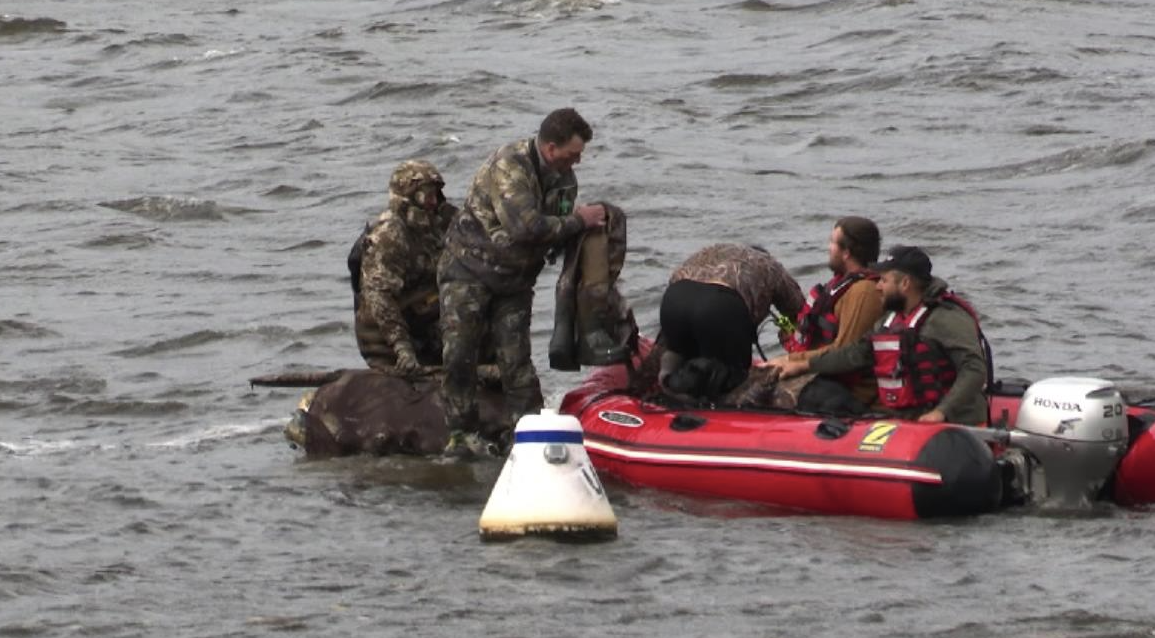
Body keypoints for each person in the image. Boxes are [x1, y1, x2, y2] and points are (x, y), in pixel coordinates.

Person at [438, 107, 608, 458]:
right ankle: (460, 434)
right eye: (573, 154)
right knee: (460, 353)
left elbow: (555, 233)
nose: (577, 161)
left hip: (514, 281)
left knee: (516, 359)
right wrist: (579, 220)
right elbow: (526, 227)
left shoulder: (565, 180)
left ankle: (526, 434)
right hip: (468, 271)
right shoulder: (510, 165)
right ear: (550, 148)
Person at [767, 246, 989, 424]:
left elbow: (974, 369)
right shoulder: (890, 320)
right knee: (819, 393)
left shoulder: (945, 318)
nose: (877, 287)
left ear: (905, 284)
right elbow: (854, 354)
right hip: (908, 419)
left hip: (954, 424)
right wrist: (803, 365)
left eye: (883, 280)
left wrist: (942, 412)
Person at [349, 160, 457, 376]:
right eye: (427, 196)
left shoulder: (438, 224)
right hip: (388, 336)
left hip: (426, 318)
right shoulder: (389, 236)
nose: (433, 202)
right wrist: (402, 348)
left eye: (436, 195)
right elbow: (379, 298)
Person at [658, 243, 805, 401]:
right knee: (733, 377)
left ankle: (666, 385)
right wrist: (787, 331)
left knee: (680, 352)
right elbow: (799, 308)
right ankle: (722, 408)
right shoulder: (769, 264)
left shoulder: (716, 250)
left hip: (674, 299)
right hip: (720, 305)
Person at [777, 216, 884, 407]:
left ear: (846, 253)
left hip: (851, 393)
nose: (829, 248)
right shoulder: (840, 286)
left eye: (832, 243)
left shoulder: (864, 292)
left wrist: (790, 360)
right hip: (822, 376)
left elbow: (845, 353)